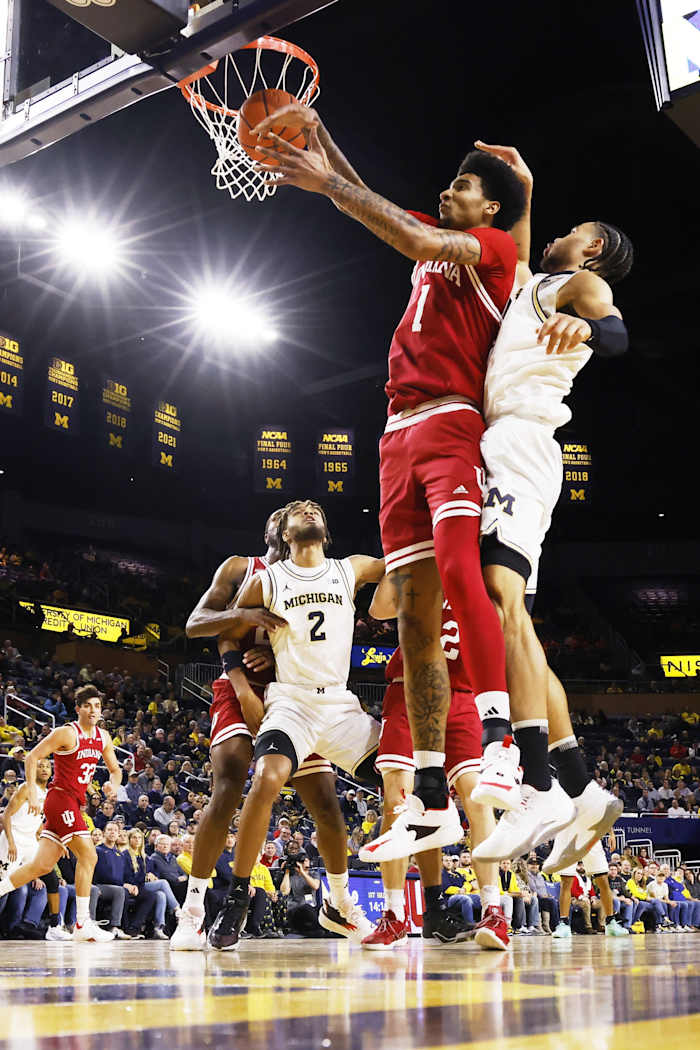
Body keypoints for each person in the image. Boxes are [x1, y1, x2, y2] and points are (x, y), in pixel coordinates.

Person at [253, 103, 527, 853]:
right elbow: (368, 199)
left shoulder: (492, 248)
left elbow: (403, 227)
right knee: (410, 613)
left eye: (463, 185)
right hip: (395, 435)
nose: (449, 192)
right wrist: (319, 137)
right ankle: (432, 791)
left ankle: (501, 743)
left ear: (493, 208)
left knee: (458, 568)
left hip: (449, 421)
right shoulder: (436, 249)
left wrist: (326, 184)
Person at [465, 142, 632, 866]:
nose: (557, 232)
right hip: (501, 443)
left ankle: (536, 782)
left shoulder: (578, 289)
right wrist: (525, 188)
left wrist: (590, 329)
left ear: (591, 249)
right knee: (510, 613)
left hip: (523, 444)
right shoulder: (537, 282)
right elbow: (526, 248)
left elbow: (618, 330)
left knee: (501, 599)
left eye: (573, 231)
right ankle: (580, 790)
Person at [171, 507, 375, 952]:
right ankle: (193, 910)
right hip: (242, 684)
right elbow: (199, 625)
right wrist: (243, 685)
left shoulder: (318, 572)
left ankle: (340, 904)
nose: (293, 514)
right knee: (228, 786)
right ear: (273, 529)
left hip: (295, 693)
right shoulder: (244, 569)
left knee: (325, 800)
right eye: (282, 513)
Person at [359, 576, 508, 950]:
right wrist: (399, 564)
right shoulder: (417, 568)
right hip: (409, 688)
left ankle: (493, 909)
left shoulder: (483, 571)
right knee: (399, 799)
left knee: (478, 797)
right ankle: (394, 915)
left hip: (463, 695)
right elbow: (378, 609)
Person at [0, 685, 120, 942]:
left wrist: (114, 783)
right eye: (87, 705)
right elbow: (32, 757)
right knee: (88, 854)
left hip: (74, 803)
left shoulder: (104, 737)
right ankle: (82, 923)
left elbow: (115, 769)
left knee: (40, 866)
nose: (92, 710)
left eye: (97, 706)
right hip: (60, 799)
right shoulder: (66, 732)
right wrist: (31, 790)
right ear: (78, 709)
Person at [0, 757, 71, 940]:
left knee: (51, 878)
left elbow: (38, 823)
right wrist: (11, 842)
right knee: (4, 885)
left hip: (30, 841)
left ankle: (55, 927)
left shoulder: (47, 793)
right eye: (40, 766)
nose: (45, 769)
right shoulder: (26, 788)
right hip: (12, 839)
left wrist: (58, 841)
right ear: (33, 770)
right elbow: (6, 816)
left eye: (47, 766)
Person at [553, 842, 629, 938]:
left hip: (592, 833)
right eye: (579, 865)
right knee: (566, 882)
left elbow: (592, 890)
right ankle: (564, 924)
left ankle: (610, 922)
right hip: (569, 835)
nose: (581, 866)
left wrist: (611, 833)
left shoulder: (587, 878)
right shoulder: (576, 877)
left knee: (603, 880)